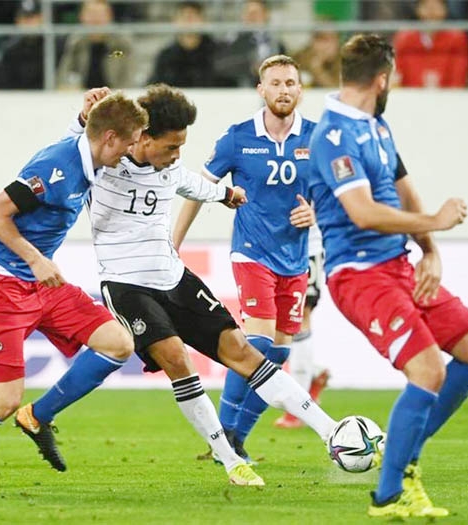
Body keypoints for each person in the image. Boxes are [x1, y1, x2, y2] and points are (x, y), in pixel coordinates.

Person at [43, 83, 338, 486]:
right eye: (171, 146)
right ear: (143, 138)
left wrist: (228, 194)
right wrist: (81, 119)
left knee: (241, 350)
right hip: (127, 287)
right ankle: (230, 459)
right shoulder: (103, 163)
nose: (178, 155)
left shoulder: (171, 171)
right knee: (178, 361)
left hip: (174, 278)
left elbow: (199, 186)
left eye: (183, 145)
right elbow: (70, 150)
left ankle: (331, 433)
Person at [0, 91, 148, 490]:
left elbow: (75, 142)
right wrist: (36, 258)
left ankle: (37, 415)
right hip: (1, 285)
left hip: (41, 287)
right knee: (3, 401)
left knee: (119, 343)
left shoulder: (84, 153)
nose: (131, 150)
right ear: (109, 137)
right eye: (129, 141)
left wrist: (81, 117)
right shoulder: (58, 165)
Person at [309, 34, 468, 517]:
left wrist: (430, 250)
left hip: (400, 265)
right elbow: (364, 212)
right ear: (382, 77)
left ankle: (402, 449)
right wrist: (434, 221)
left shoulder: (377, 126)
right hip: (360, 276)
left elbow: (400, 188)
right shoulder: (332, 136)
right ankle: (389, 494)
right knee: (429, 369)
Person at [173, 55, 316, 463]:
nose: (283, 90)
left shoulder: (318, 138)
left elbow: (335, 195)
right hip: (251, 252)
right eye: (275, 83)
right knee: (255, 342)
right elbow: (199, 189)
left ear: (300, 89)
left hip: (296, 258)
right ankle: (223, 440)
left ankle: (235, 439)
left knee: (280, 354)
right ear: (261, 90)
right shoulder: (237, 138)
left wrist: (316, 213)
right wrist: (173, 242)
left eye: (291, 82)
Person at [273, 224, 330, 429]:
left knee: (299, 315)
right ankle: (312, 373)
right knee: (272, 323)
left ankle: (296, 409)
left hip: (306, 246)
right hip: (267, 244)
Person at [393, 0, 468, 88]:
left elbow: (459, 75)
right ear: (418, 9)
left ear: (445, 10)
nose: (431, 12)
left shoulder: (457, 38)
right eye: (426, 6)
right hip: (411, 95)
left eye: (436, 6)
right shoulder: (405, 38)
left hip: (448, 96)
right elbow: (397, 74)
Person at [148, 1, 228, 87]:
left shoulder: (219, 52)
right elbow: (155, 85)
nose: (189, 22)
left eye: (193, 17)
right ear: (175, 21)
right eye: (184, 17)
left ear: (203, 20)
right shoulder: (165, 56)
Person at [56, 0, 131, 89]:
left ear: (109, 16)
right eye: (91, 13)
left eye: (100, 14)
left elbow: (130, 73)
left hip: (114, 95)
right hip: (82, 95)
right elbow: (64, 73)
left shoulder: (121, 43)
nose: (96, 19)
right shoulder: (76, 42)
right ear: (82, 16)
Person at [215, 0, 287, 87]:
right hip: (238, 91)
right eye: (247, 13)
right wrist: (251, 66)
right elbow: (221, 66)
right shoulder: (232, 42)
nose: (251, 17)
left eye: (256, 13)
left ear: (266, 14)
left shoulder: (277, 44)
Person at [0, 0, 44, 90]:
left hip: (48, 101)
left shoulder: (53, 47)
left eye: (32, 18)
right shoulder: (9, 51)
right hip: (16, 101)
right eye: (25, 18)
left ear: (42, 19)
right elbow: (4, 86)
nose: (29, 23)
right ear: (17, 21)